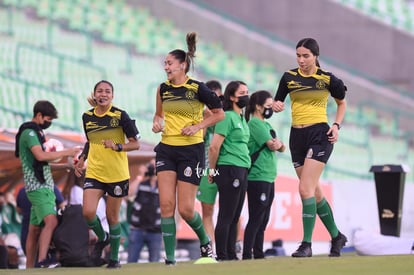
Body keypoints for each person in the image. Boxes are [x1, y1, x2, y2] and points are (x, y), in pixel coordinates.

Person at [151, 32, 224, 265]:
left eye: (169, 63)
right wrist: (156, 122)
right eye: (165, 63)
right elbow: (159, 114)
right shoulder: (162, 89)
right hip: (166, 150)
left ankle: (204, 241)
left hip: (191, 152)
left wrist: (198, 126)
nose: (166, 67)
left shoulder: (198, 88)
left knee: (184, 209)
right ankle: (170, 259)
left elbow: (219, 114)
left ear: (183, 65)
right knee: (165, 205)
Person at [272, 38, 348, 257]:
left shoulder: (327, 79)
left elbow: (341, 102)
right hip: (297, 136)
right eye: (298, 55)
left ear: (316, 56)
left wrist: (336, 125)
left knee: (305, 189)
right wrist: (277, 106)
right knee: (314, 192)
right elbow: (279, 103)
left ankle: (306, 244)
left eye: (306, 56)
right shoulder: (288, 77)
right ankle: (337, 237)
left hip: (319, 135)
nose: (301, 60)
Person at [74, 80, 141, 268]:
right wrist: (82, 159)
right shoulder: (87, 117)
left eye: (107, 91)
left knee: (112, 217)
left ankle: (114, 259)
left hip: (117, 174)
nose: (103, 94)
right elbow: (90, 142)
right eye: (100, 91)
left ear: (112, 95)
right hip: (95, 172)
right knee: (87, 212)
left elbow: (135, 144)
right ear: (94, 95)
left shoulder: (120, 116)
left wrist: (118, 146)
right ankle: (102, 237)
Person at [15, 100, 81, 268]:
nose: (49, 123)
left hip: (44, 185)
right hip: (37, 186)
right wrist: (68, 151)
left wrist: (65, 165)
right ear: (39, 115)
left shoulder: (37, 133)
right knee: (51, 221)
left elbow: (42, 163)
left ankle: (30, 267)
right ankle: (44, 261)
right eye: (48, 119)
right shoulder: (29, 133)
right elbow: (40, 156)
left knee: (34, 230)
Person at [208, 80, 250, 261]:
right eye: (242, 93)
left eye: (247, 92)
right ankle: (222, 255)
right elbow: (214, 147)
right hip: (229, 168)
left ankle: (231, 255)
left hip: (242, 168)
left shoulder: (241, 118)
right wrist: (211, 171)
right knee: (226, 214)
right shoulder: (226, 117)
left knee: (235, 216)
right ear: (232, 97)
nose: (246, 96)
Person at [242, 90, 285, 260]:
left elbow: (282, 147)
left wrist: (279, 144)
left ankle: (258, 253)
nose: (270, 109)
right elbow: (274, 145)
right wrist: (278, 144)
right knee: (256, 217)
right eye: (268, 106)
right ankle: (247, 254)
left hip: (268, 176)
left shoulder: (266, 125)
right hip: (257, 177)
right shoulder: (255, 124)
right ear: (258, 107)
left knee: (263, 219)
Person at [196, 79, 223, 253]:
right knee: (208, 210)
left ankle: (232, 246)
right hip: (207, 168)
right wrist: (206, 118)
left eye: (217, 97)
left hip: (228, 166)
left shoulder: (227, 115)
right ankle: (210, 248)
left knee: (231, 210)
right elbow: (200, 138)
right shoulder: (202, 116)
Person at [16, 185, 65, 262]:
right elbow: (62, 207)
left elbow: (18, 210)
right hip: (46, 238)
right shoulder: (51, 188)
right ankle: (42, 259)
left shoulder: (22, 191)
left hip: (25, 233)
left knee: (32, 265)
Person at [127, 160, 162, 263]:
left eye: (155, 166)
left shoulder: (163, 186)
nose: (153, 168)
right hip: (137, 229)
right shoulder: (141, 184)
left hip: (155, 230)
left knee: (155, 262)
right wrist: (140, 176)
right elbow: (129, 193)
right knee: (131, 262)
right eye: (151, 166)